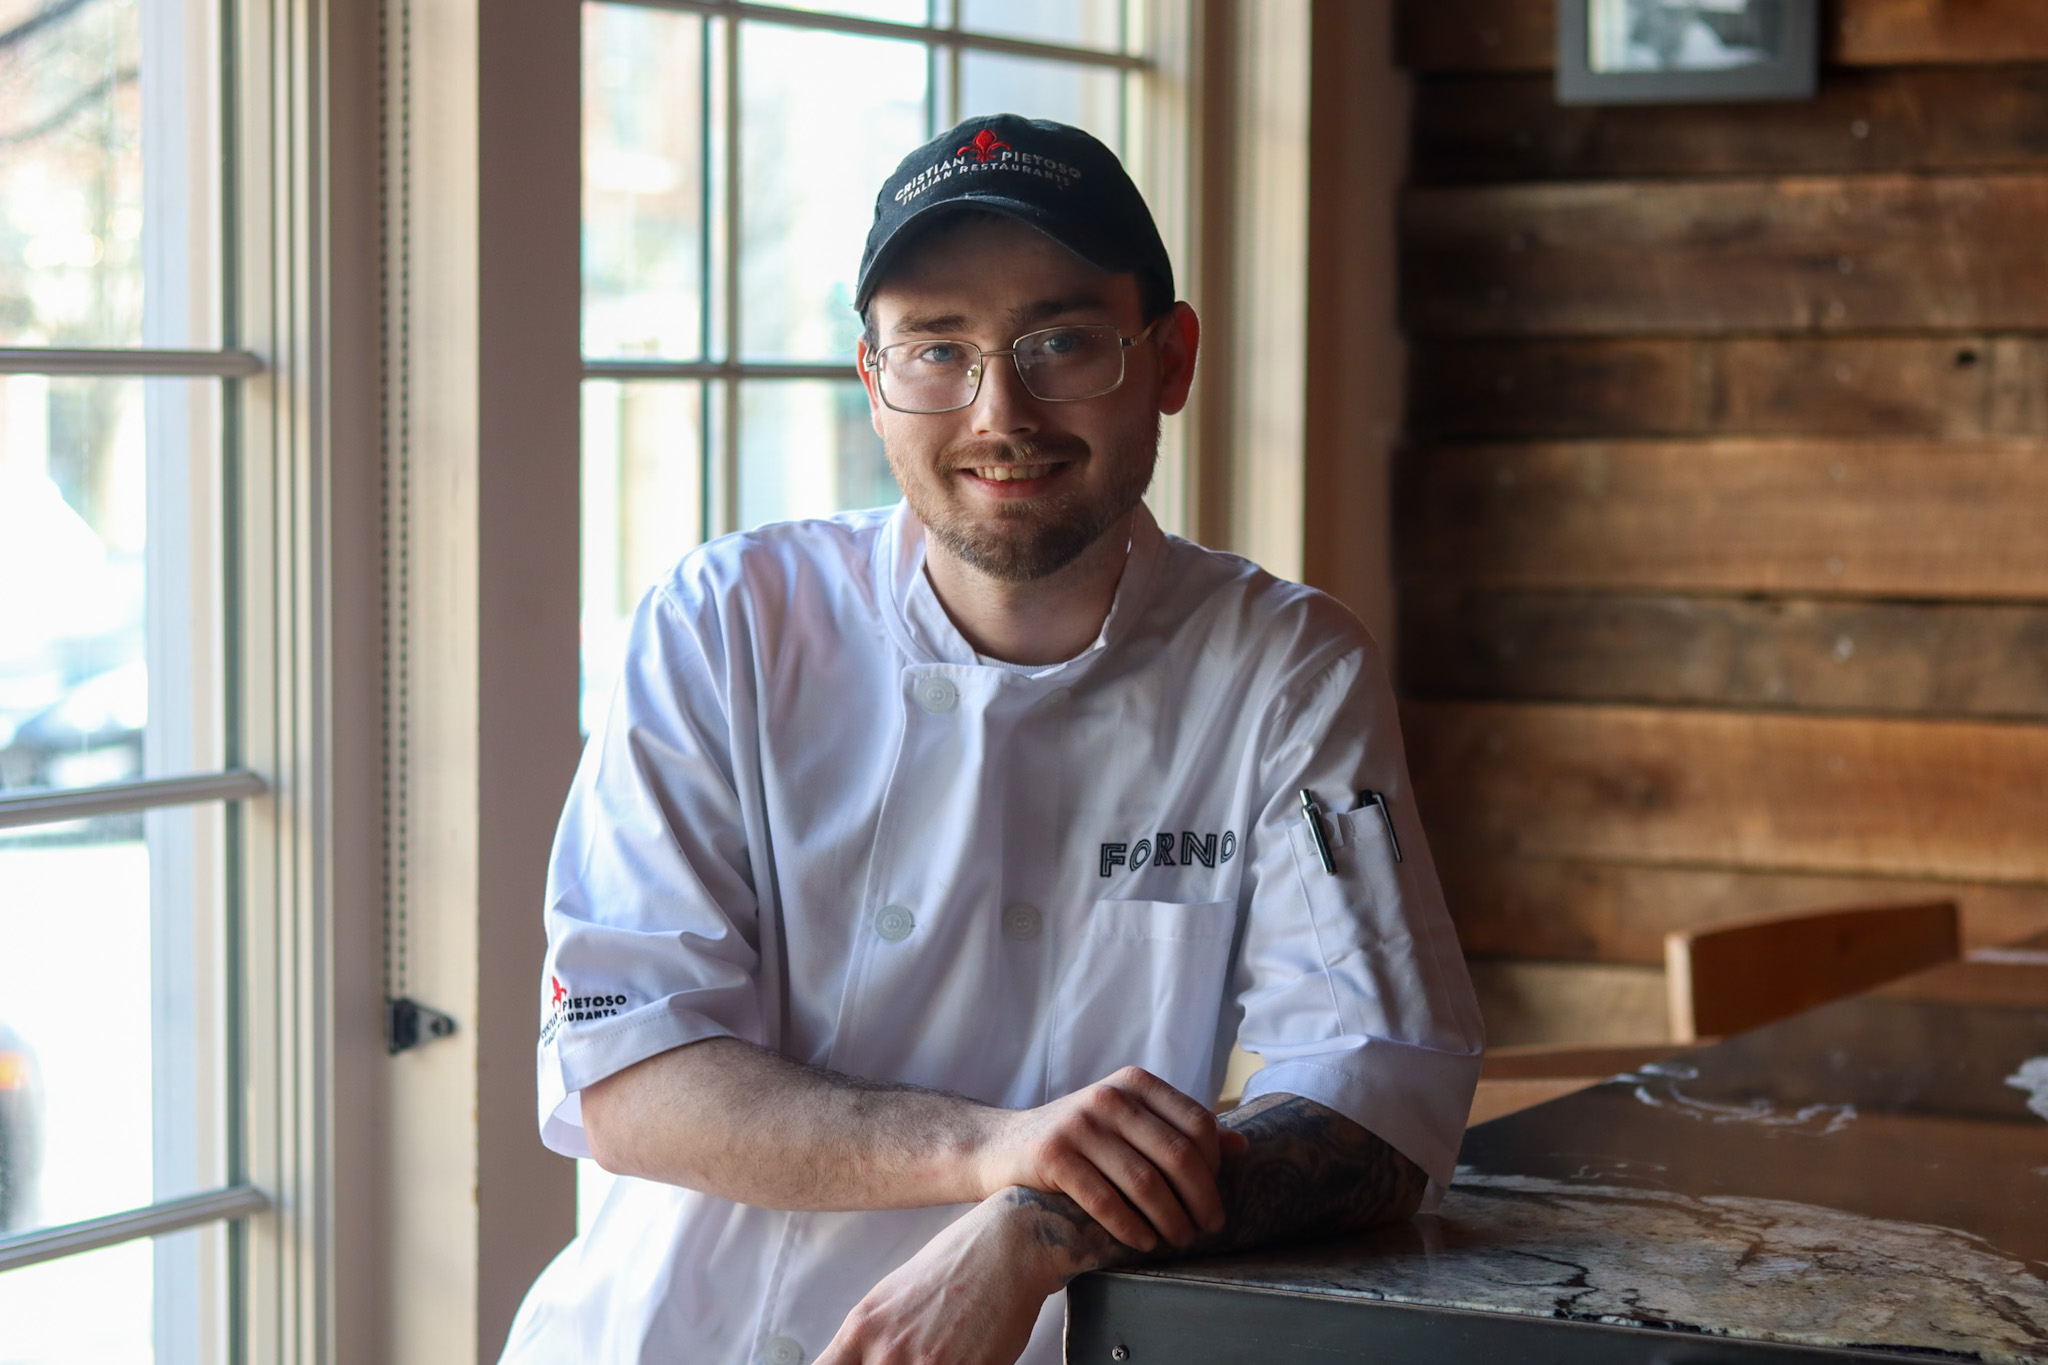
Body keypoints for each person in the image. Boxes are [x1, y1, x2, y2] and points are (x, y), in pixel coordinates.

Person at [501, 114, 1483, 1365]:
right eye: (937, 349)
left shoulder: (1282, 671)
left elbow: (1378, 1101)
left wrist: (1029, 1226)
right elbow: (627, 1077)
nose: (998, 410)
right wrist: (990, 1150)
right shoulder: (727, 626)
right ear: (873, 381)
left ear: (1168, 358)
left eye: (1059, 342)